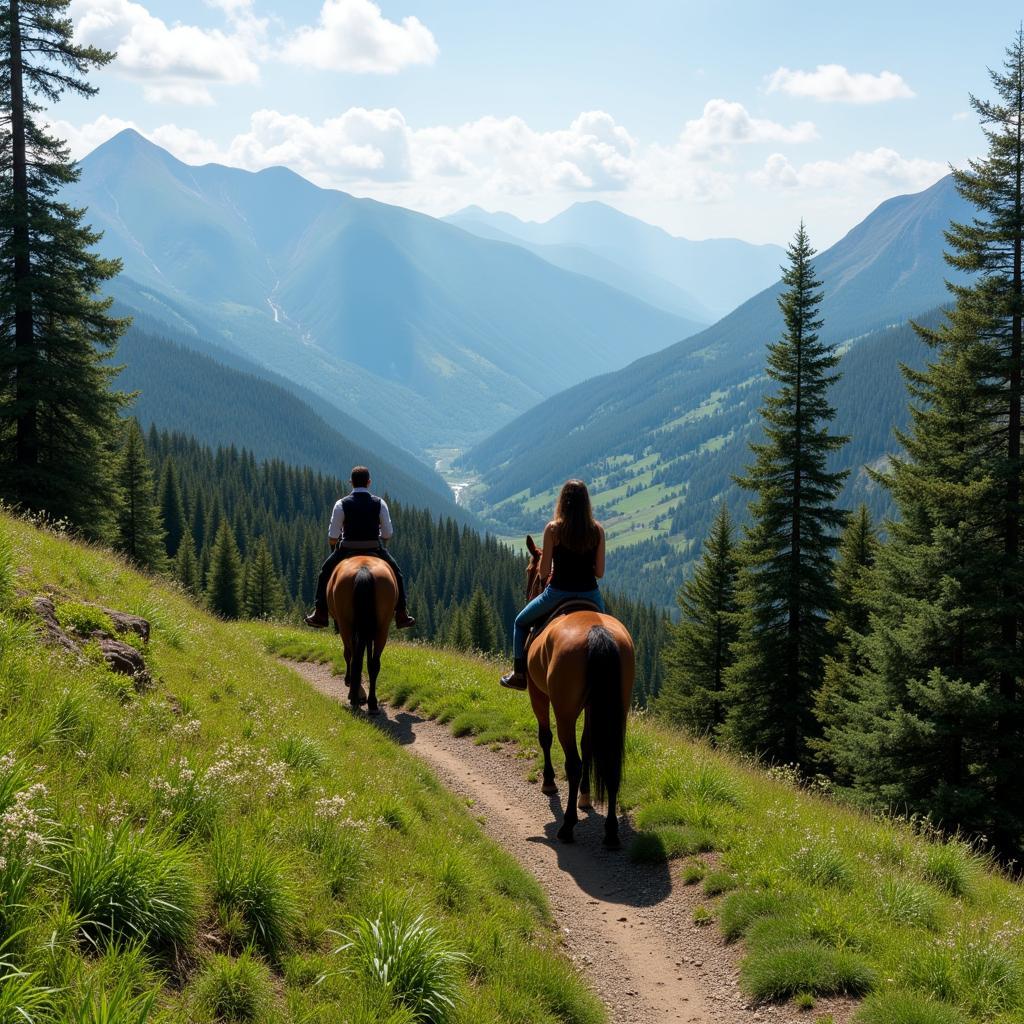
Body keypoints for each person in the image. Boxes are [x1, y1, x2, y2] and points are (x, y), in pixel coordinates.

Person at [499, 479, 606, 690]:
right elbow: (600, 573)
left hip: (558, 593)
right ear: (586, 503)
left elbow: (545, 571)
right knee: (606, 635)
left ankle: (519, 675)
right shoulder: (597, 530)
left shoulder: (553, 529)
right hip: (591, 595)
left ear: (562, 502)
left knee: (520, 623)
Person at [304, 466, 416, 629]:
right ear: (369, 482)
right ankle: (401, 614)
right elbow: (387, 534)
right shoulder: (380, 503)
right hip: (374, 548)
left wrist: (335, 545)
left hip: (347, 548)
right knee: (397, 573)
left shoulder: (341, 504)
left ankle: (320, 613)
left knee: (324, 573)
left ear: (351, 483)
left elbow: (333, 535)